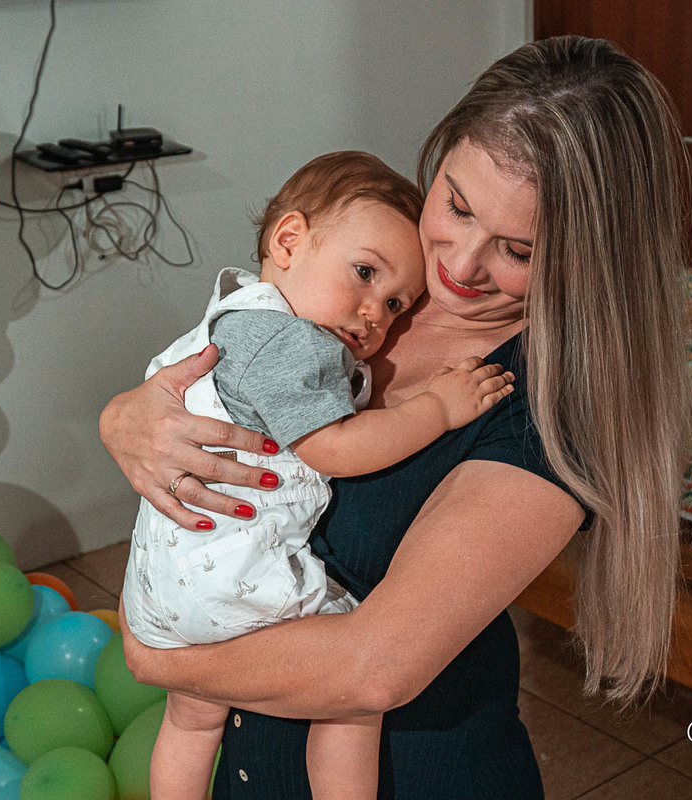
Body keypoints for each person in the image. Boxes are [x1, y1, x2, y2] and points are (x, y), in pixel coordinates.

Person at [100, 35, 692, 798]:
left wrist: (159, 658)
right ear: (439, 156)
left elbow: (371, 668)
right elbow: (217, 375)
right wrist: (127, 418)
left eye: (517, 249)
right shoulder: (365, 283)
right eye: (455, 204)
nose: (461, 264)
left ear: (588, 257)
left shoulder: (546, 407)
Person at [124, 151, 516, 800]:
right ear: (288, 240)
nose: (373, 315)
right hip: (230, 579)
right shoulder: (288, 344)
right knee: (350, 701)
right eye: (363, 274)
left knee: (191, 724)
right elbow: (337, 448)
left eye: (395, 303)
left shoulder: (229, 319)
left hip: (161, 584)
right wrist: (437, 408)